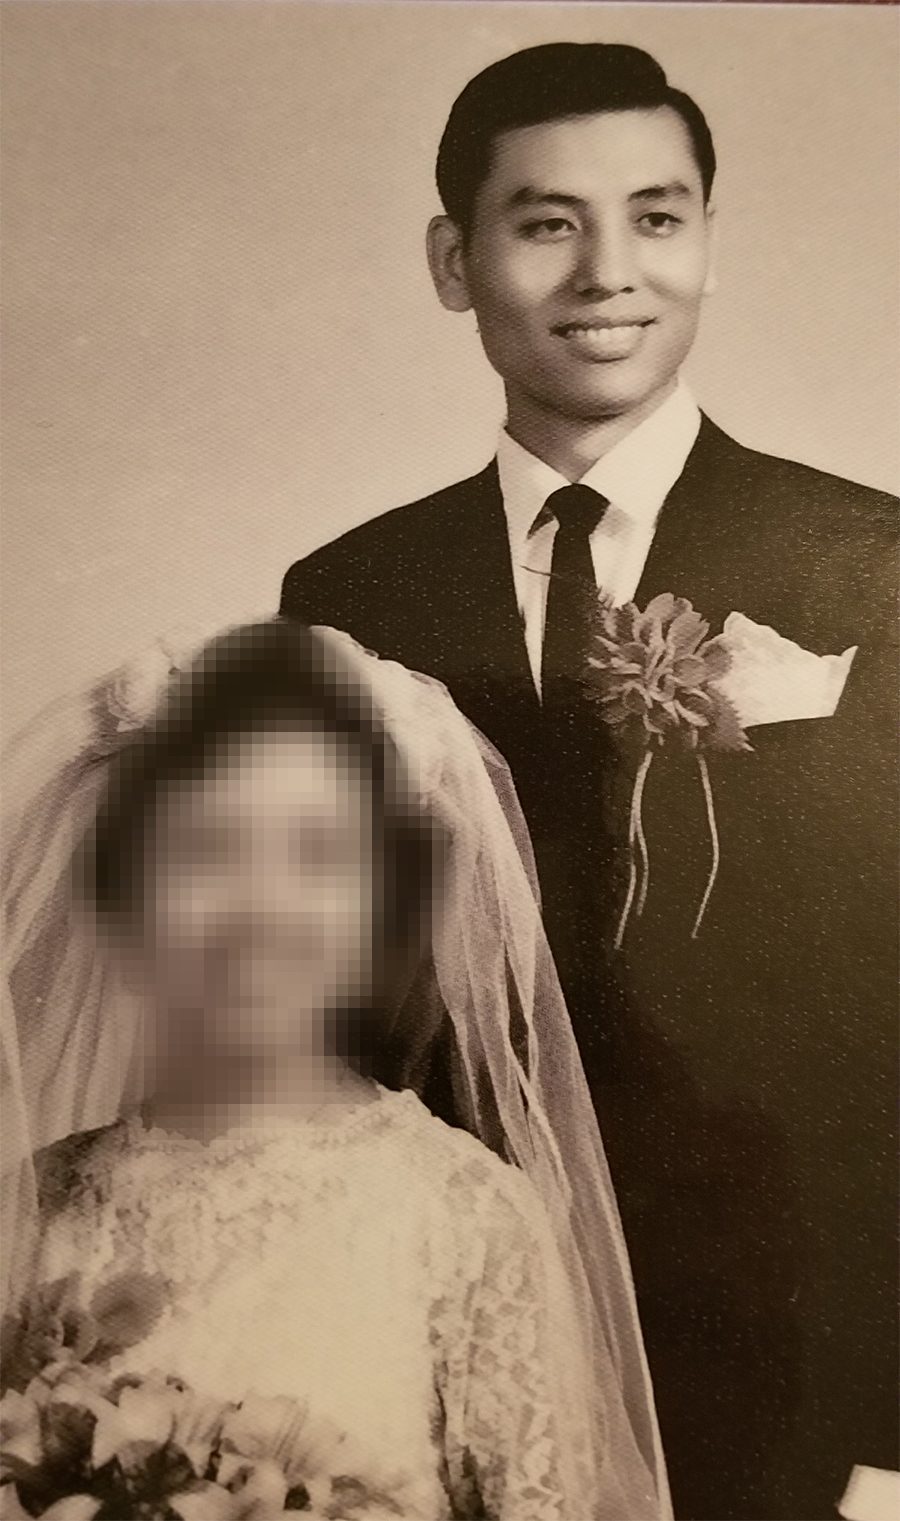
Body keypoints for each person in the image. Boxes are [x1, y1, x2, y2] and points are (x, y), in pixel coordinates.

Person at [279, 42, 899, 1521]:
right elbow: (334, 1000)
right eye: (547, 222)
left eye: (658, 216)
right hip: (448, 1326)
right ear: (455, 258)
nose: (608, 272)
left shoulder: (869, 564)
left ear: (705, 241)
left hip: (790, 1343)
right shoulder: (350, 589)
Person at [0, 619, 671, 1521]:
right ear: (125, 895)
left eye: (321, 855)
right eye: (203, 849)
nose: (261, 909)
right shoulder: (34, 1206)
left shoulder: (461, 1217)